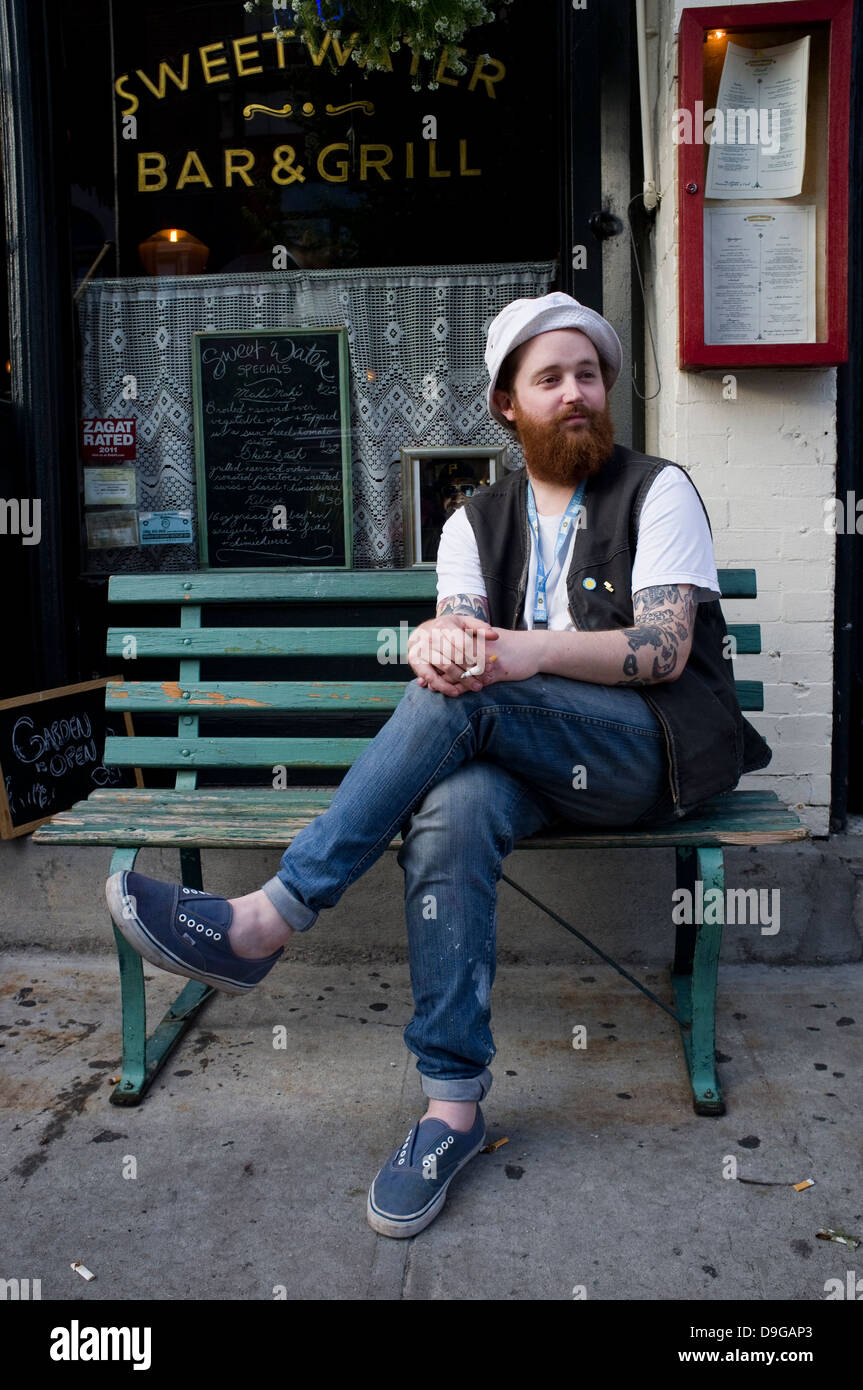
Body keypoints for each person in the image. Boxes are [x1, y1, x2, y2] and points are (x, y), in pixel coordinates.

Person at [106, 292, 771, 1239]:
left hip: (644, 754)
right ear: (508, 404)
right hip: (521, 766)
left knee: (485, 682)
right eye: (550, 380)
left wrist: (513, 653)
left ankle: (270, 915)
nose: (575, 394)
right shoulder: (473, 520)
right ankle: (450, 1110)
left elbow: (662, 651)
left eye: (588, 375)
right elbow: (461, 644)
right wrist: (435, 646)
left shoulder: (656, 489)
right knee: (451, 807)